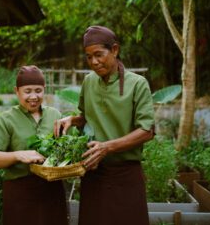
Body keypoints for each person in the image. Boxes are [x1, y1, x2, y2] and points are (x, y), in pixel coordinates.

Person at [54, 26, 155, 225]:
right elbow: (86, 117)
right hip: (94, 174)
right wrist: (71, 120)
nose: (94, 62)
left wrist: (107, 147)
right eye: (89, 57)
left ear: (115, 50)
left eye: (99, 55)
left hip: (126, 174)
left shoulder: (137, 84)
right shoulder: (89, 82)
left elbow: (146, 131)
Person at [0, 65, 68, 225]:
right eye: (27, 91)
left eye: (38, 90)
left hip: (52, 190)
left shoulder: (55, 115)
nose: (33, 96)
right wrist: (18, 155)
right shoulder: (6, 119)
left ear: (44, 89)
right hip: (19, 192)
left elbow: (65, 147)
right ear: (17, 91)